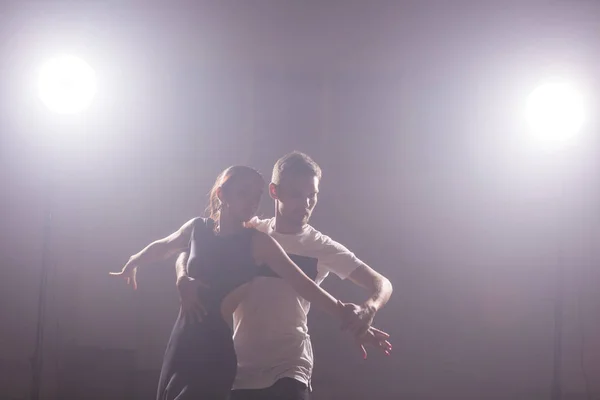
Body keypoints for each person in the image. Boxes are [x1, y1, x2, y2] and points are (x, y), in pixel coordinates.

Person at [110, 165, 380, 400]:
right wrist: (138, 262)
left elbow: (303, 283)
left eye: (256, 196)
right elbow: (169, 248)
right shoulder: (198, 228)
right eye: (243, 194)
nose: (252, 202)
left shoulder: (257, 241)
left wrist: (350, 316)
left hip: (219, 348)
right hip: (183, 341)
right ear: (221, 194)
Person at [177, 152, 394, 400]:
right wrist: (182, 279)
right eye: (296, 195)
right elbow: (192, 245)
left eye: (312, 195)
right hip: (239, 365)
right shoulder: (252, 230)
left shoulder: (322, 247)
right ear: (274, 191)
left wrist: (369, 308)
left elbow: (382, 283)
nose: (305, 204)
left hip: (291, 364)